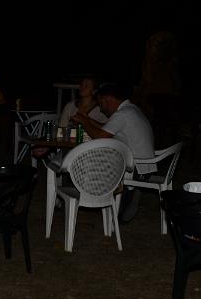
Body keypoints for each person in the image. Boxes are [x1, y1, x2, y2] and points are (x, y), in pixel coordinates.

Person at [71, 82, 156, 223]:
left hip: (136, 169)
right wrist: (86, 119)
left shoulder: (122, 114)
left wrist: (84, 122)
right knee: (103, 157)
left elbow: (99, 136)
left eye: (101, 104)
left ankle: (98, 200)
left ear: (107, 99)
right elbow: (106, 128)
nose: (100, 108)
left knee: (93, 161)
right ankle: (125, 195)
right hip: (146, 166)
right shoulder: (131, 109)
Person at [32, 76, 108, 160]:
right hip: (70, 148)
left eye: (86, 86)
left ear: (94, 91)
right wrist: (45, 145)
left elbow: (107, 130)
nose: (82, 87)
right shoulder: (70, 106)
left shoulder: (101, 108)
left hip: (93, 149)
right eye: (81, 85)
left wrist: (86, 121)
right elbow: (61, 130)